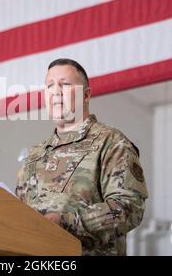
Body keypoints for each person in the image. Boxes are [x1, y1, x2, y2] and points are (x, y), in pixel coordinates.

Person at [15, 58, 148, 255]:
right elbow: (16, 220)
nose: (56, 91)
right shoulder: (34, 155)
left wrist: (65, 222)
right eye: (50, 85)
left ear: (86, 95)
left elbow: (128, 208)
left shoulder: (111, 142)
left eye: (65, 84)